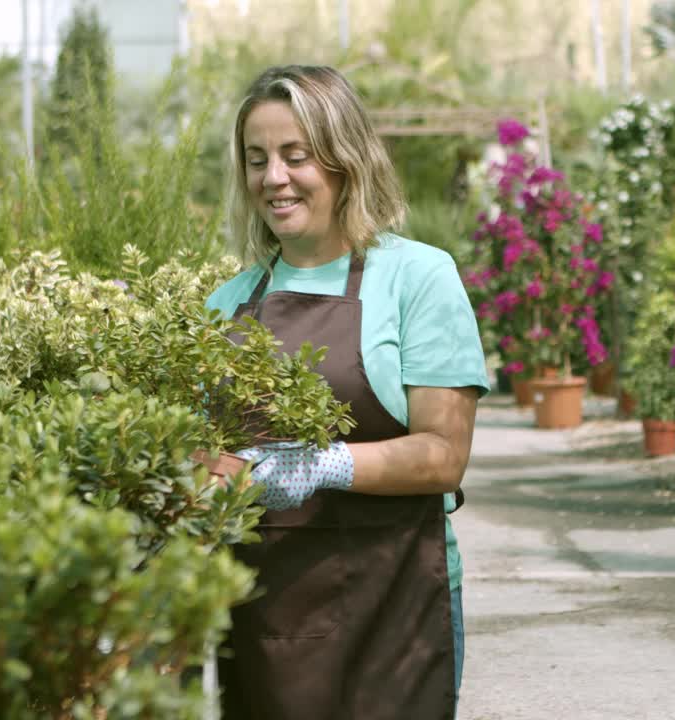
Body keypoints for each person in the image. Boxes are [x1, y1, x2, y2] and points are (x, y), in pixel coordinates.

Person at [205, 65, 488, 720]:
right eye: (256, 160)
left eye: (294, 156)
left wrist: (320, 465)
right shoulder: (226, 305)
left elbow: (444, 455)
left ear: (344, 160)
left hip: (394, 605)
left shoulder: (417, 277)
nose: (273, 178)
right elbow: (207, 463)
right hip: (264, 612)